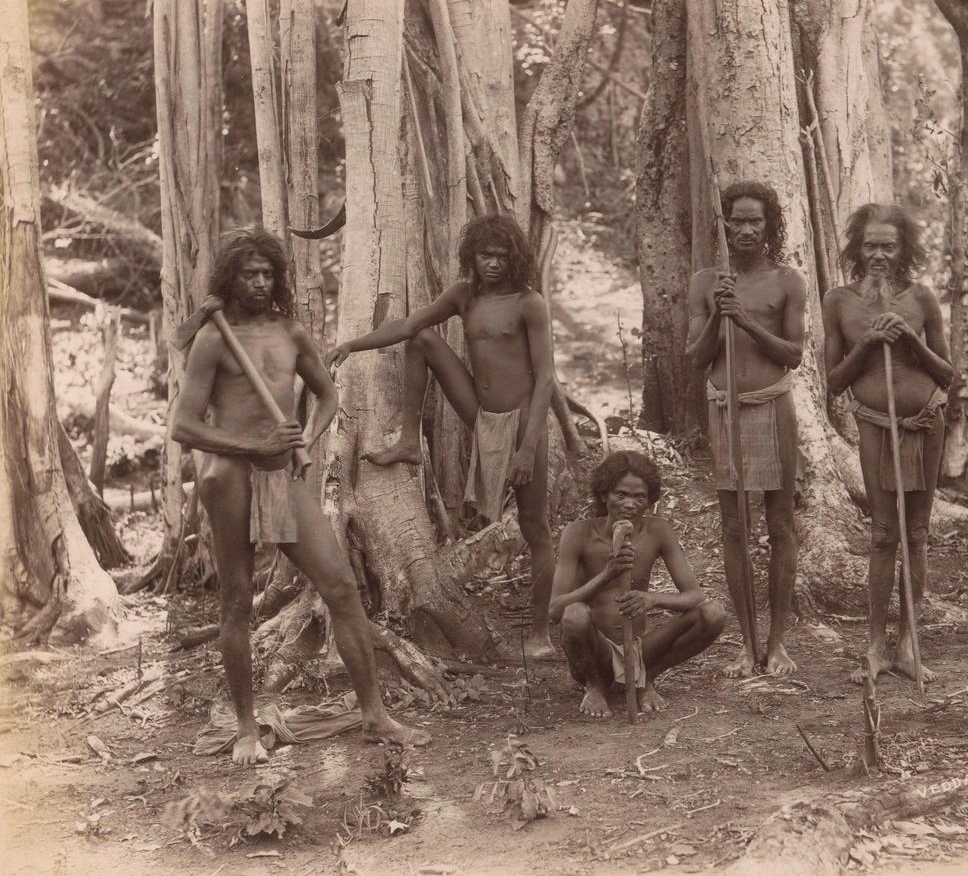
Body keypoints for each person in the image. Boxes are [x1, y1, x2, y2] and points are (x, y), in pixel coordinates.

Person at [169, 227, 430, 766]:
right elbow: (184, 425)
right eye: (249, 274)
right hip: (230, 477)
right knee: (237, 601)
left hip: (280, 478)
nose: (260, 283)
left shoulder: (290, 332)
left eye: (268, 274)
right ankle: (246, 727)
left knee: (340, 586)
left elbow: (328, 393)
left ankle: (375, 716)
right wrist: (252, 441)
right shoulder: (214, 338)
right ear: (231, 279)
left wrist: (305, 438)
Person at [324, 216, 556, 659]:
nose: (493, 264)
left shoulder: (529, 303)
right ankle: (410, 441)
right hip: (480, 411)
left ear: (516, 259)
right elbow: (408, 326)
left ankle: (542, 632)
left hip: (523, 421)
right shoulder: (463, 295)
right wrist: (353, 344)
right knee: (422, 341)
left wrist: (527, 448)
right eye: (485, 255)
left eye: (502, 256)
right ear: (472, 256)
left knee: (534, 525)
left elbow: (545, 379)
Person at [822, 204, 954, 686]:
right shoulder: (838, 301)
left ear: (903, 251)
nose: (878, 254)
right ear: (858, 249)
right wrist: (866, 343)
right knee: (882, 534)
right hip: (875, 425)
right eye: (870, 245)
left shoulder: (922, 298)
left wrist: (910, 343)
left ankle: (909, 645)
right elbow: (834, 382)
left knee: (916, 533)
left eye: (888, 246)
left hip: (925, 423)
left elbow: (947, 373)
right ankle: (875, 647)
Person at [686, 181, 806, 677]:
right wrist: (718, 311)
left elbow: (794, 355)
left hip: (771, 406)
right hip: (724, 409)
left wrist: (747, 321)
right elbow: (695, 359)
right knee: (734, 526)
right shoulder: (705, 282)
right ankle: (745, 642)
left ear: (770, 224)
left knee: (779, 525)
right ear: (725, 225)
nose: (746, 229)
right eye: (737, 220)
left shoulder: (787, 281)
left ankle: (777, 643)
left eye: (756, 220)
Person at [549, 451, 726, 717]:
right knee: (574, 615)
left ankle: (645, 679)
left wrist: (652, 598)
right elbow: (555, 610)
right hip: (596, 650)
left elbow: (694, 595)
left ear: (650, 500)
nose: (630, 504)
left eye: (639, 497)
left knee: (714, 614)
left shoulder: (659, 531)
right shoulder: (578, 534)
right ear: (603, 495)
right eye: (620, 494)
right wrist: (606, 575)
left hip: (641, 651)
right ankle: (595, 686)